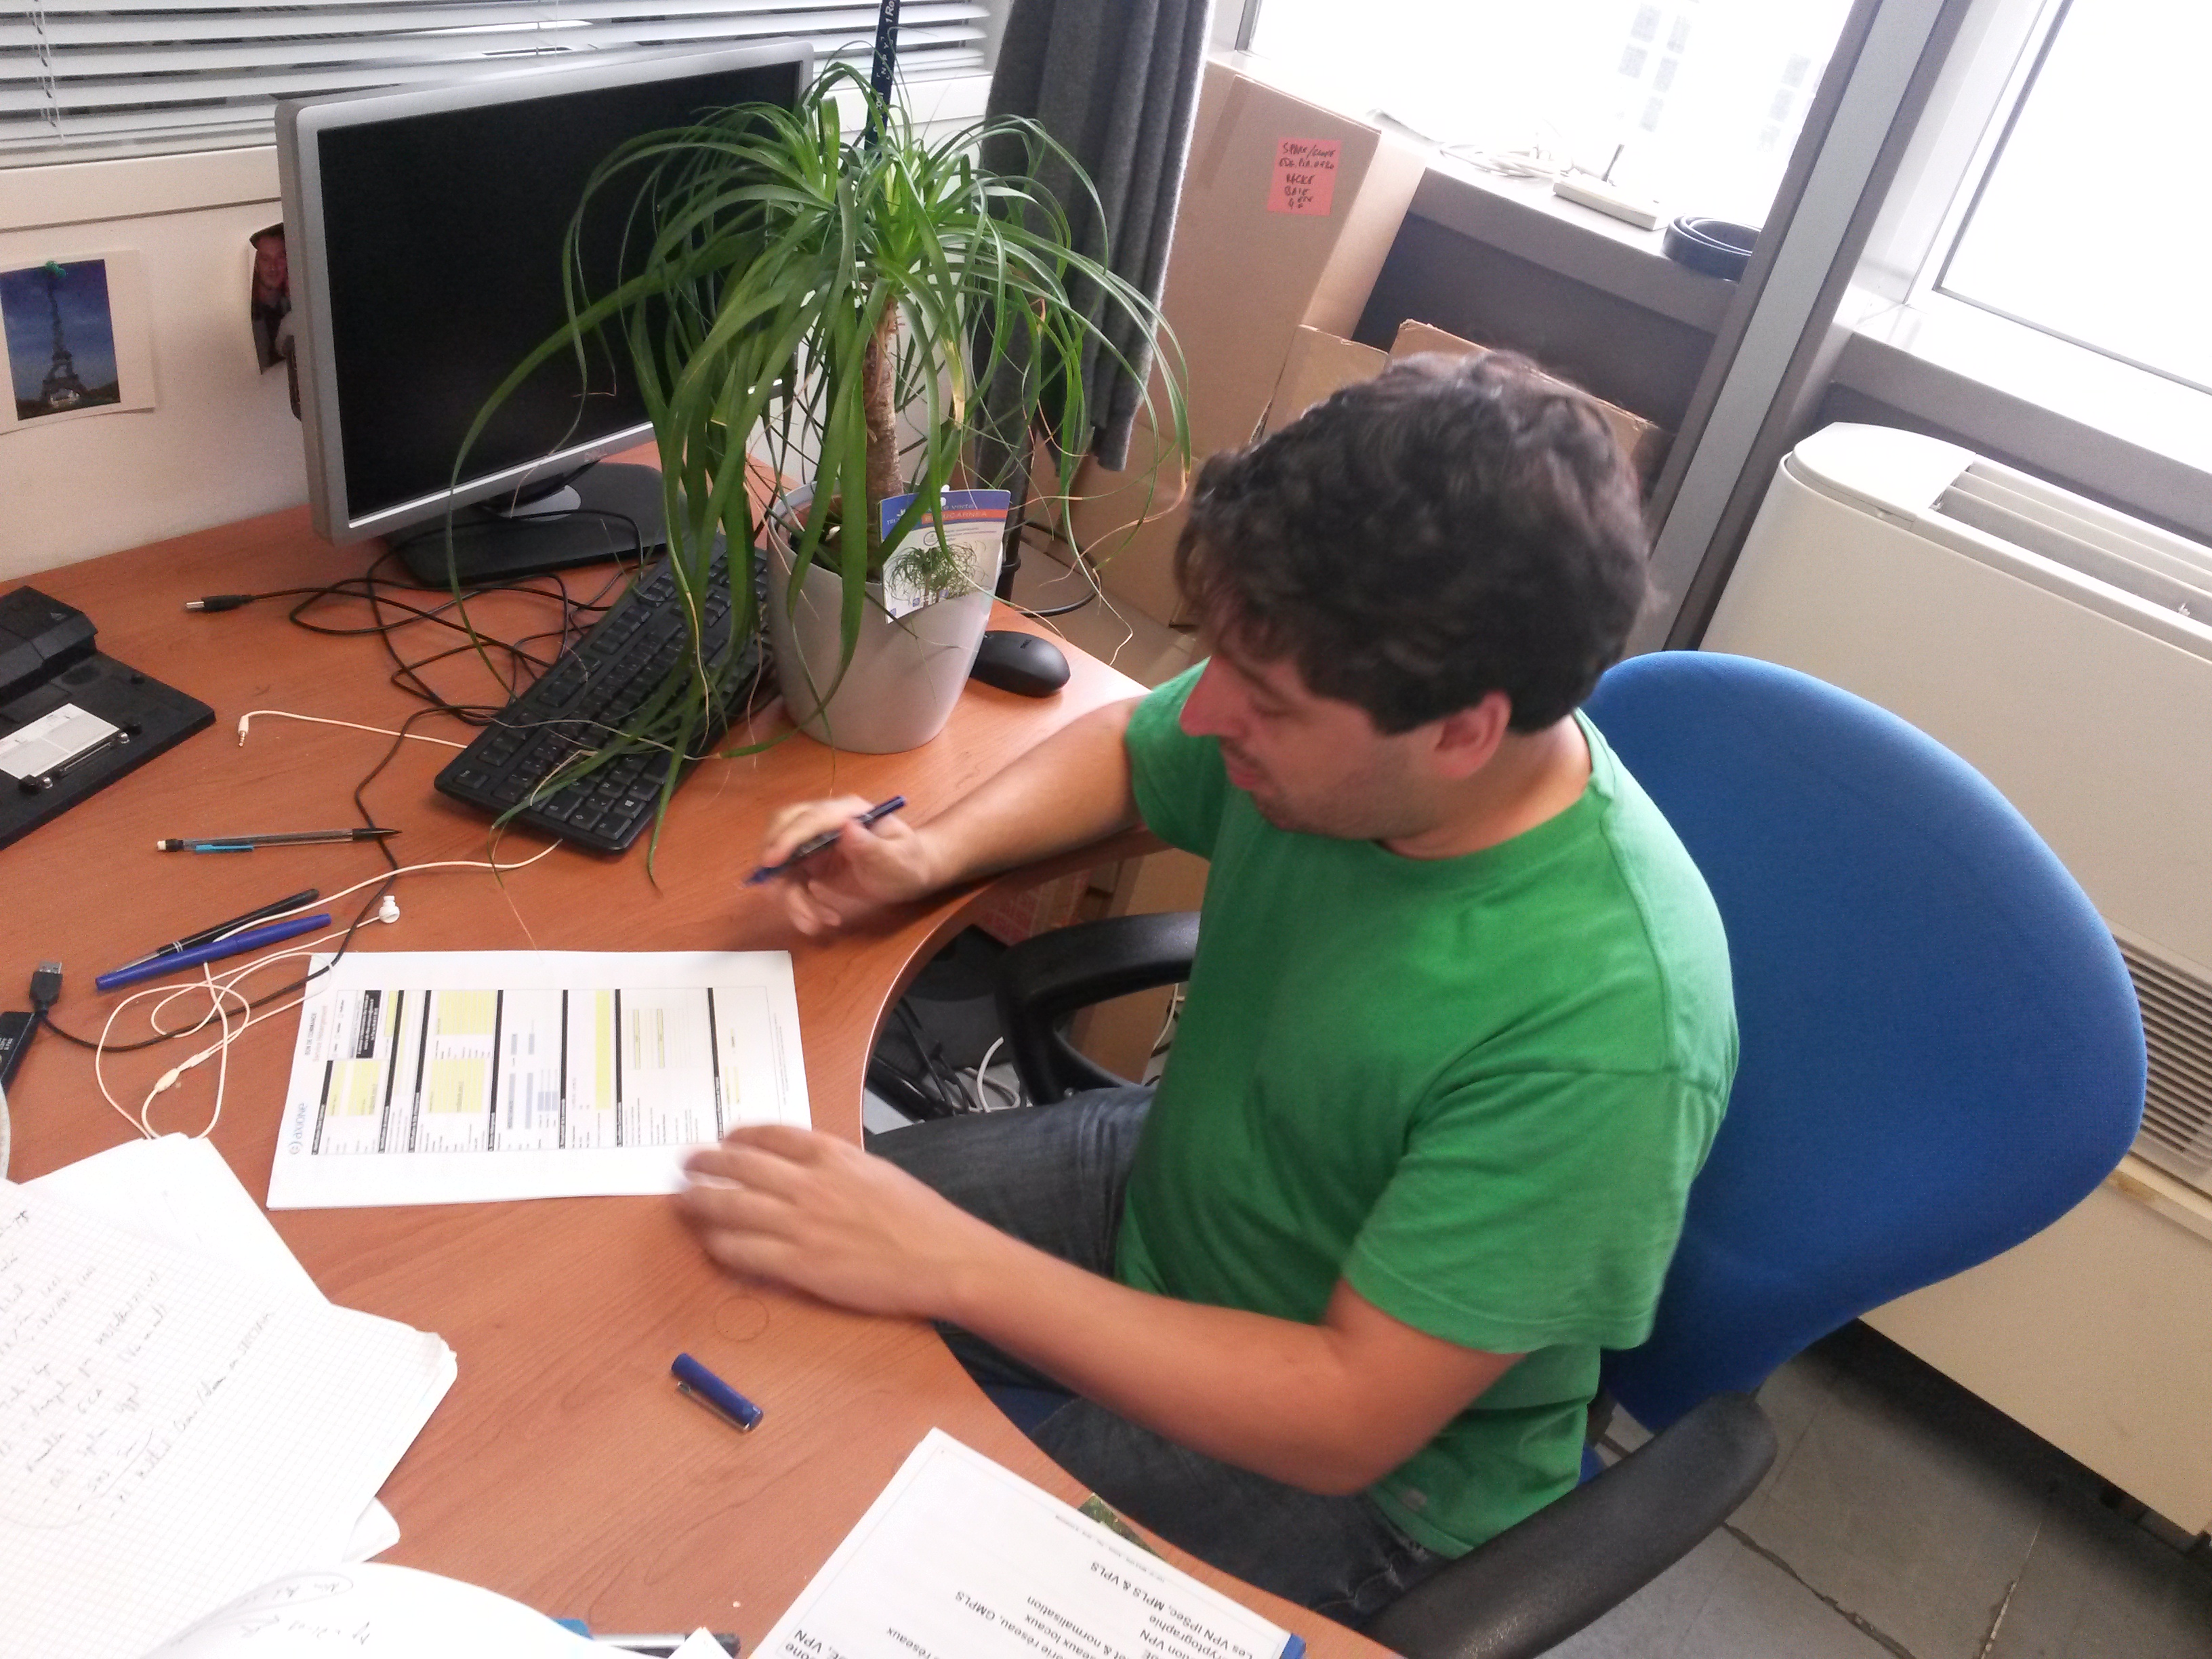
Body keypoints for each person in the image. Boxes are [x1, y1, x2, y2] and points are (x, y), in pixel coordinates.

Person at [679, 351, 1738, 1625]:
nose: (1208, 712)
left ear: (1465, 730)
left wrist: (950, 1265)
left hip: (1368, 1462)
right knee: (734, 1243)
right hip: (1187, 1182)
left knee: (835, 1576)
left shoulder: (1609, 1026)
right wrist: (927, 855)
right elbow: (1135, 748)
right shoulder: (1356, 711)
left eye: (1267, 701)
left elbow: (1349, 1413)